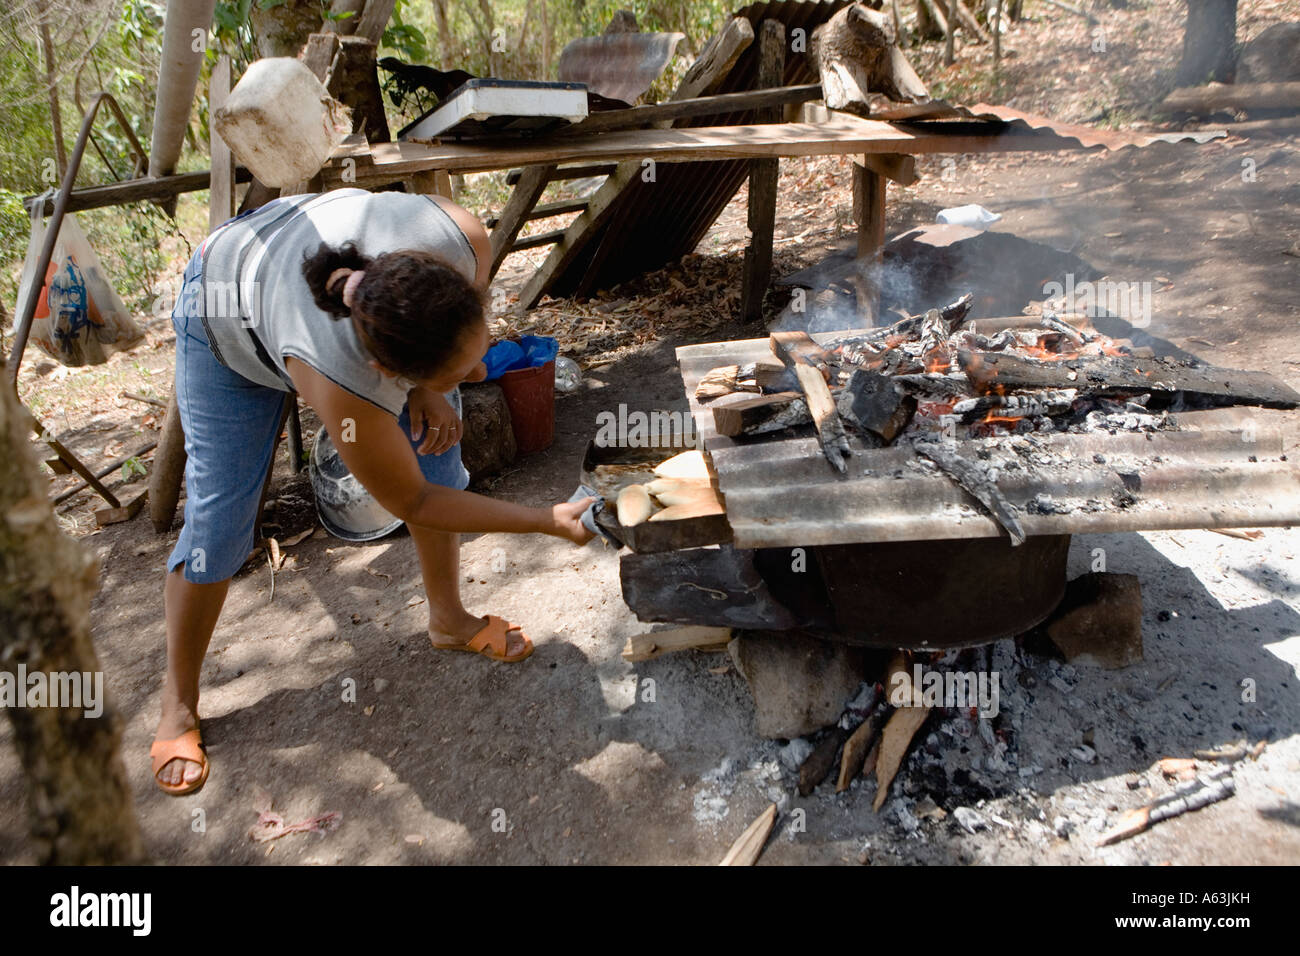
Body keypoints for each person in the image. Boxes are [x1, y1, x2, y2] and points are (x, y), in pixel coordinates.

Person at [150, 187, 595, 796]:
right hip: (225, 307)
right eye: (455, 369)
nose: (477, 371)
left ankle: (449, 619)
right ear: (387, 370)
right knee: (219, 525)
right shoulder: (341, 381)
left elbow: (442, 387)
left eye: (477, 347)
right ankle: (178, 705)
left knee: (437, 448)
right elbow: (412, 502)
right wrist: (545, 519)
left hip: (307, 267)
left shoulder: (461, 237)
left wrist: (432, 388)